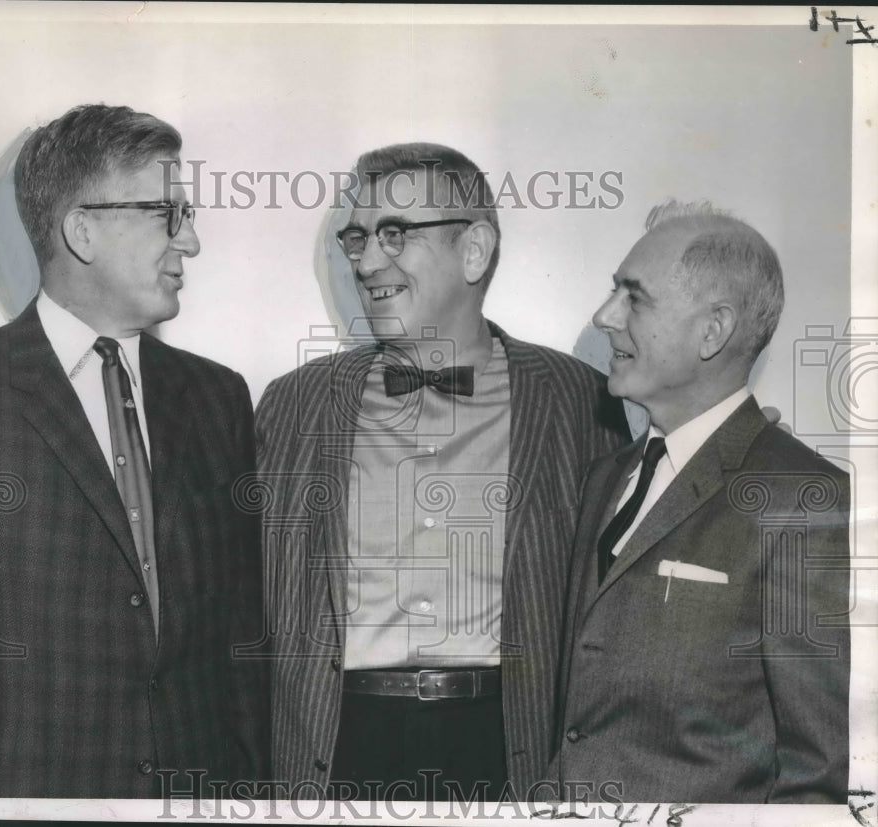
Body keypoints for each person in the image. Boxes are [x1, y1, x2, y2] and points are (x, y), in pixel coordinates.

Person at [0, 104, 268, 798]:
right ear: (82, 230)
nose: (189, 242)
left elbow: (242, 644)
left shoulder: (219, 396)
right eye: (169, 214)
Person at [253, 142, 629, 802]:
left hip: (507, 748)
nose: (367, 261)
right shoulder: (292, 403)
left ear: (475, 250)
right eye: (356, 238)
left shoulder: (580, 400)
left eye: (394, 233)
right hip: (337, 748)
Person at [548, 201, 850, 803]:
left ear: (713, 331)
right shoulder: (603, 478)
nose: (603, 316)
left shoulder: (800, 501)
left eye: (634, 297)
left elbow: (817, 774)